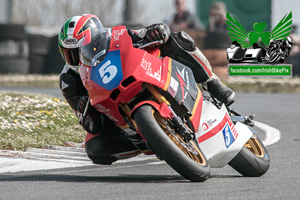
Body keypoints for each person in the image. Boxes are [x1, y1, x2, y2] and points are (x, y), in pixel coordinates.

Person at [58, 14, 235, 165]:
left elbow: (146, 34)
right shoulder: (69, 81)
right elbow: (92, 126)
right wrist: (85, 112)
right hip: (116, 115)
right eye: (71, 54)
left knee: (177, 39)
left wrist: (157, 31)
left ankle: (212, 83)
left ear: (97, 39)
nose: (79, 58)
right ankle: (150, 140)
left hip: (138, 74)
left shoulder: (115, 34)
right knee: (94, 148)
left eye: (82, 50)